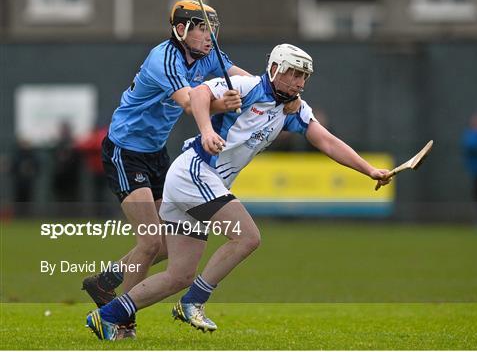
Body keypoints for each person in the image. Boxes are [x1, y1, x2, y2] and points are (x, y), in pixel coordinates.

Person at [85, 43, 392, 340]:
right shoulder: (246, 87)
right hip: (194, 173)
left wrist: (368, 170)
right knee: (247, 236)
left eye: (304, 76)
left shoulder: (293, 109)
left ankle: (107, 315)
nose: (299, 82)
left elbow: (326, 141)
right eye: (293, 73)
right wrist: (206, 131)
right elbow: (200, 93)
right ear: (274, 69)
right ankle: (193, 303)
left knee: (179, 276)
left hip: (198, 181)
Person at [81, 0, 300, 338]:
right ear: (181, 30)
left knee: (167, 245)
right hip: (125, 151)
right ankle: (120, 319)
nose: (210, 36)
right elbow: (188, 102)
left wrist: (280, 96)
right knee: (152, 242)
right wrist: (219, 104)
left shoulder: (207, 54)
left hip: (156, 153)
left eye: (212, 29)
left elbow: (248, 80)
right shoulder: (164, 59)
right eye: (202, 28)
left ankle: (106, 281)